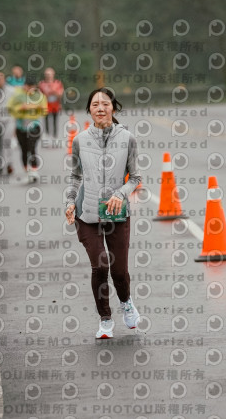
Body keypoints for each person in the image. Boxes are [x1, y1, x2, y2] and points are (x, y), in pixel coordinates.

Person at [64, 88, 142, 339]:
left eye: (105, 104)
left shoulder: (127, 138)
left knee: (119, 270)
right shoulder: (80, 140)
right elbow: (75, 177)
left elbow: (136, 177)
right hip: (87, 215)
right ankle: (105, 319)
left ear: (113, 108)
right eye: (95, 104)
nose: (100, 108)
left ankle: (127, 303)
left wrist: (120, 194)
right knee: (100, 265)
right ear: (89, 110)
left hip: (118, 214)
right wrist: (69, 202)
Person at [7, 77, 48, 183]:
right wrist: (20, 108)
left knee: (32, 147)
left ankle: (34, 170)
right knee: (24, 149)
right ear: (24, 85)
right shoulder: (17, 95)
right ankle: (27, 171)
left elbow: (44, 110)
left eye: (32, 87)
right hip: (20, 126)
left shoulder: (39, 96)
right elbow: (10, 108)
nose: (29, 89)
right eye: (27, 86)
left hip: (34, 126)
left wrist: (32, 107)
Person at [38, 67, 64, 138]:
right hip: (46, 105)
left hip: (55, 104)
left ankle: (55, 136)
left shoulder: (57, 83)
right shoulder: (42, 84)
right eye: (47, 74)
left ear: (53, 74)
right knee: (46, 121)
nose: (48, 76)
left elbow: (60, 94)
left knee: (55, 121)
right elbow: (39, 95)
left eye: (50, 74)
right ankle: (47, 135)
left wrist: (54, 92)